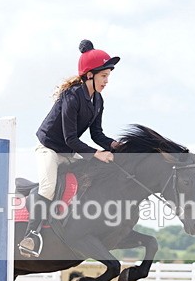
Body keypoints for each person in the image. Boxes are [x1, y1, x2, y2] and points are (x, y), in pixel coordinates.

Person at [18, 39, 121, 258]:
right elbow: (70, 138)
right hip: (49, 149)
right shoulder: (71, 97)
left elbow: (97, 134)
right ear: (90, 75)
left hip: (68, 150)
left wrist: (114, 145)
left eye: (108, 76)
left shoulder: (98, 100)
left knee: (92, 175)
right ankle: (31, 235)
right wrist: (96, 154)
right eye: (104, 76)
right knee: (47, 187)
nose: (107, 81)